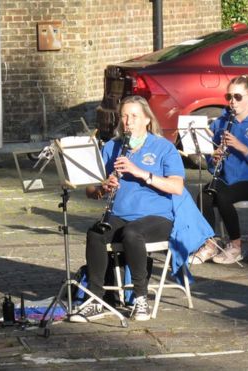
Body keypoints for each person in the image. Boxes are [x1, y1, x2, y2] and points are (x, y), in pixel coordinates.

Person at [71, 95, 186, 323]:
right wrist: (103, 187)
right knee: (96, 233)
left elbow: (177, 186)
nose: (128, 122)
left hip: (157, 218)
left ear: (146, 120)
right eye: (124, 116)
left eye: (134, 116)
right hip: (120, 215)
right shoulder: (113, 146)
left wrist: (140, 172)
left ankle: (140, 299)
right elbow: (90, 190)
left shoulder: (163, 147)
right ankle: (96, 298)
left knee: (133, 234)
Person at [192, 75, 248, 265]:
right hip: (226, 178)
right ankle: (210, 243)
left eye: (237, 97)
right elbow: (212, 165)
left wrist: (241, 147)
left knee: (223, 197)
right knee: (203, 195)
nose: (232, 101)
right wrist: (213, 158)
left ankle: (236, 246)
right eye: (229, 97)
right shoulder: (220, 123)